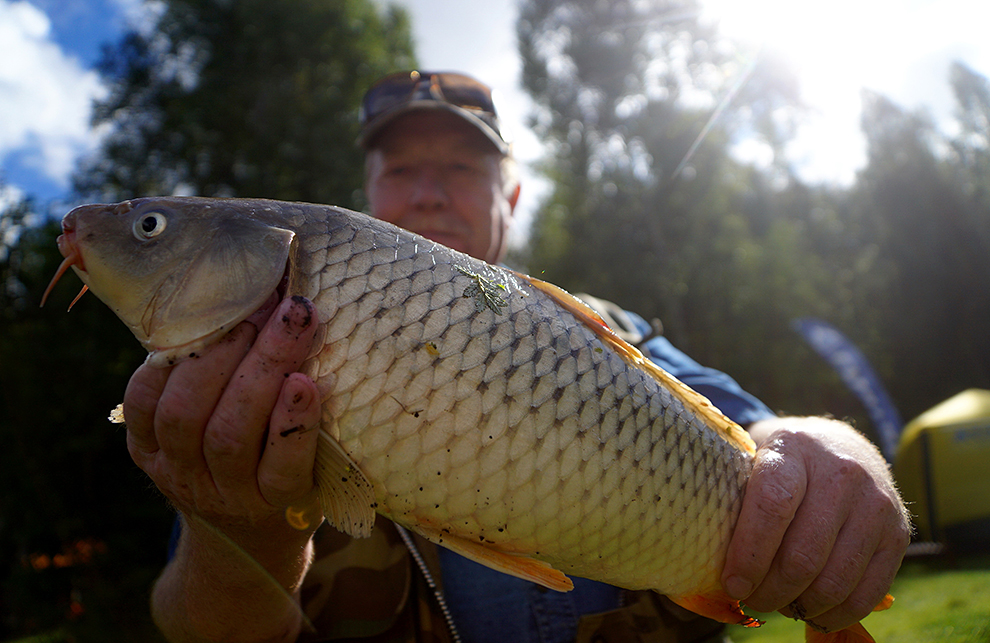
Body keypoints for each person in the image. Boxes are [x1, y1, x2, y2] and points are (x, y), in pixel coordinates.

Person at [125, 71, 910, 643]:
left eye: (462, 167)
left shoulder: (615, 331)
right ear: (366, 198)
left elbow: (765, 433)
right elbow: (194, 622)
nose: (429, 192)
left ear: (511, 197)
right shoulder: (243, 355)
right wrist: (242, 540)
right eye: (400, 170)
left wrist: (836, 454)